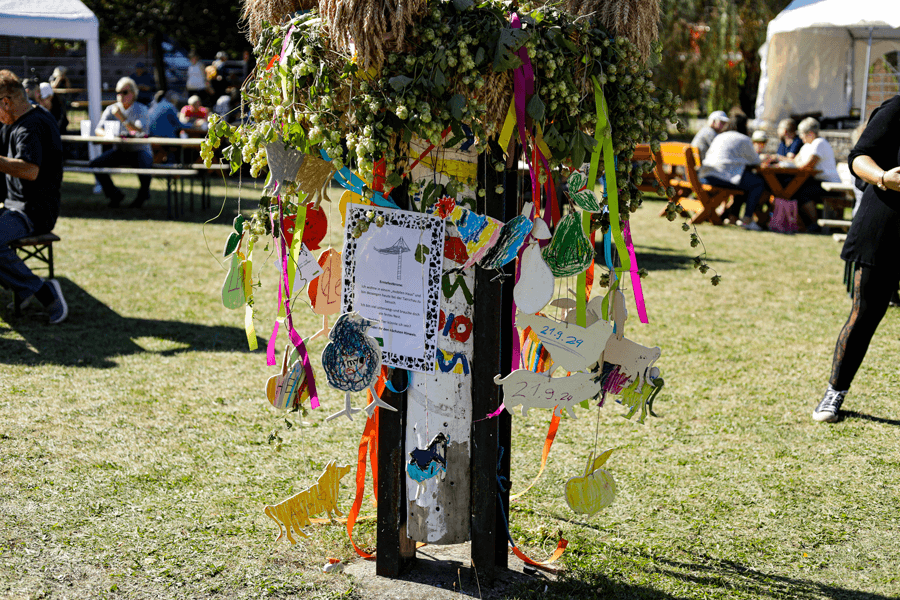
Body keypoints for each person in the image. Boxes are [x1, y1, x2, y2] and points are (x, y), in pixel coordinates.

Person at [814, 95, 900, 422]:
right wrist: (883, 178)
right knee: (865, 314)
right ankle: (834, 393)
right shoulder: (896, 108)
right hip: (885, 228)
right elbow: (859, 157)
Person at [0, 70, 67, 324]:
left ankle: (44, 293)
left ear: (6, 102)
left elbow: (29, 170)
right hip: (15, 208)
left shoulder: (32, 126)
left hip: (34, 212)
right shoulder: (17, 121)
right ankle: (22, 288)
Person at [90, 77, 153, 208]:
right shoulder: (111, 109)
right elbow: (98, 130)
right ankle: (115, 195)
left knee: (145, 166)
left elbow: (140, 132)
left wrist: (122, 118)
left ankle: (142, 196)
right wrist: (110, 135)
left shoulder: (141, 109)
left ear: (133, 93)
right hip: (120, 150)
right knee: (95, 164)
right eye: (118, 92)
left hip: (138, 150)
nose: (120, 96)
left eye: (125, 92)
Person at [697, 113, 766, 230]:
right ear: (744, 125)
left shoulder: (720, 136)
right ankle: (747, 219)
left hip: (706, 174)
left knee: (743, 181)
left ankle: (733, 216)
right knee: (757, 183)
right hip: (722, 176)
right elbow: (756, 161)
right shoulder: (743, 139)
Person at [786, 117, 841, 233]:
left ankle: (814, 224)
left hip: (830, 184)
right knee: (795, 190)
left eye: (802, 134)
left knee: (802, 193)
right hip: (818, 182)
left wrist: (799, 162)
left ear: (810, 133)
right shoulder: (807, 146)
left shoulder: (819, 143)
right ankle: (806, 223)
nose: (800, 137)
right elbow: (795, 160)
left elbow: (808, 165)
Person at [147, 90, 182, 163]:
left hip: (152, 138)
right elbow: (179, 125)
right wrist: (193, 125)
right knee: (178, 147)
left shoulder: (151, 106)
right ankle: (175, 170)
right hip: (165, 140)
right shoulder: (169, 106)